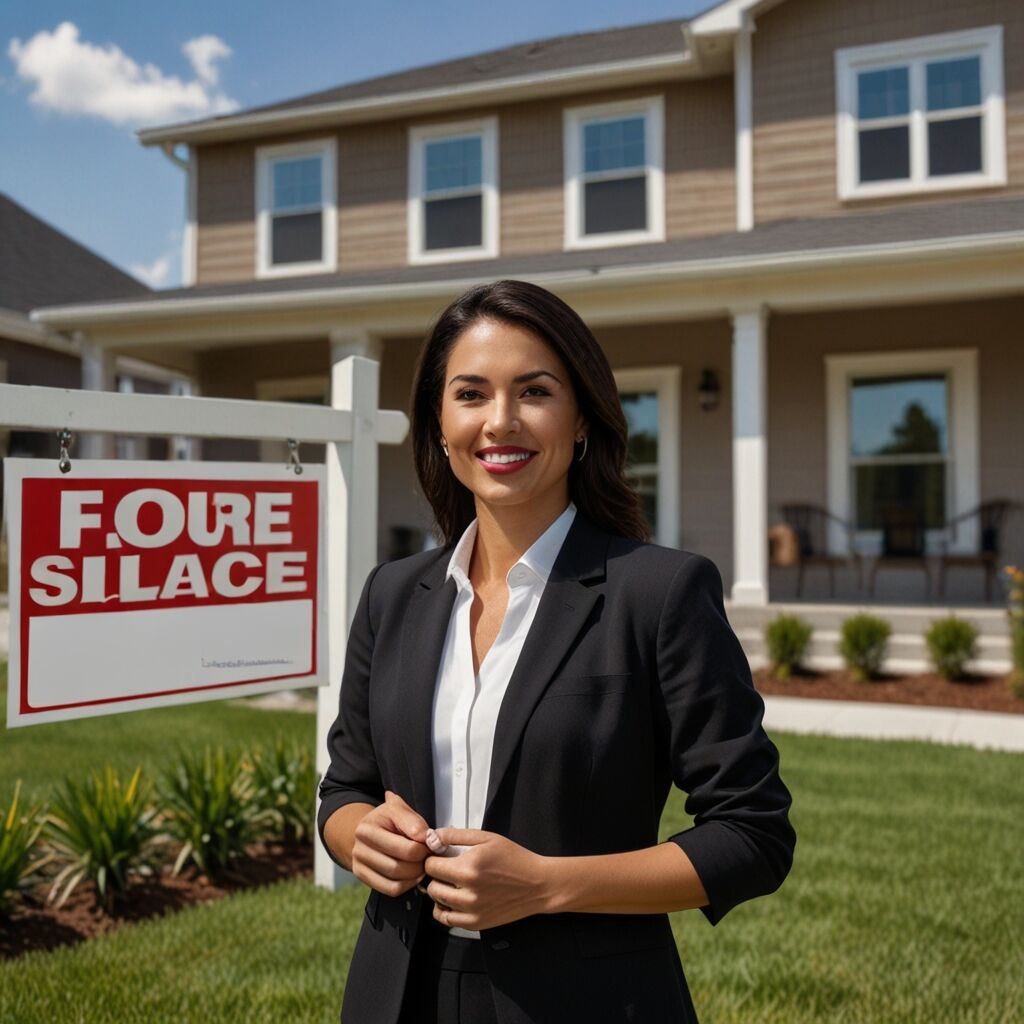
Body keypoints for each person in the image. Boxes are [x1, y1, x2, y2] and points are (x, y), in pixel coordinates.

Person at [318, 279, 796, 1024]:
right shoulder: (391, 594)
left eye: (534, 391)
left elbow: (752, 836)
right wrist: (360, 840)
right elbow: (343, 791)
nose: (500, 422)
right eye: (471, 394)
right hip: (396, 991)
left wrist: (546, 884)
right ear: (440, 426)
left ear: (581, 422)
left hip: (590, 999)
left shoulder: (659, 593)